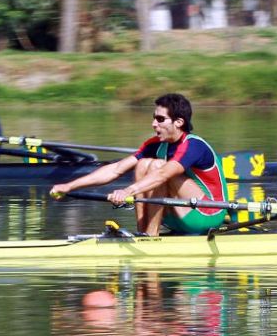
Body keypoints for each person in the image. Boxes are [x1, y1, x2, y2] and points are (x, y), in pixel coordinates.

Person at [50, 93, 228, 236]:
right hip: (179, 214)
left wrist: (127, 191)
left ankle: (151, 235)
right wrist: (69, 186)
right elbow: (116, 169)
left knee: (157, 167)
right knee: (143, 164)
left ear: (179, 122)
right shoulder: (154, 144)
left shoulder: (193, 145)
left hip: (207, 214)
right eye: (153, 118)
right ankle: (144, 232)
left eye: (160, 119)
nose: (153, 124)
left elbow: (163, 175)